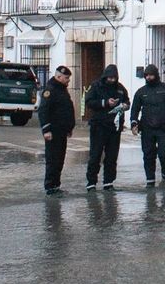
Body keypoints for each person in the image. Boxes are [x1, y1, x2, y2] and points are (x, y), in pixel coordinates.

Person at [130, 63, 165, 186]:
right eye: (146, 76)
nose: (148, 78)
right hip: (146, 129)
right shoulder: (141, 92)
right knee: (148, 155)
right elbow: (135, 109)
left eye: (151, 75)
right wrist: (134, 123)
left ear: (156, 75)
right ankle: (150, 180)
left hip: (163, 128)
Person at [83, 64, 130, 190]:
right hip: (98, 125)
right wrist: (105, 103)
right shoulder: (96, 86)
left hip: (114, 128)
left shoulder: (120, 88)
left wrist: (125, 105)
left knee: (112, 156)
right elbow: (89, 102)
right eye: (109, 78)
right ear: (105, 76)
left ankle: (108, 182)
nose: (111, 80)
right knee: (95, 155)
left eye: (114, 78)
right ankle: (91, 182)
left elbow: (127, 101)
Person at [37, 65, 76, 194]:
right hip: (53, 131)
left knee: (60, 159)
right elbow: (43, 110)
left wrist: (69, 127)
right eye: (66, 78)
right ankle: (50, 186)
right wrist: (46, 130)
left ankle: (56, 186)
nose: (68, 81)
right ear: (58, 76)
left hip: (62, 131)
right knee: (53, 159)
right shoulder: (50, 90)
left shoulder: (62, 90)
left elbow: (66, 110)